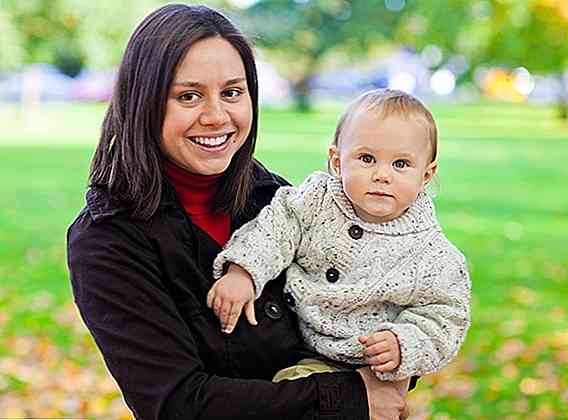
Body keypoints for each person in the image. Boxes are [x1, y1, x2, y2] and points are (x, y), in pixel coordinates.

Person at [66, 4, 409, 420]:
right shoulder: (107, 240)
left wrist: (401, 348)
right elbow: (178, 404)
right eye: (188, 96)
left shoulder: (278, 200)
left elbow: (369, 306)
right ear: (145, 103)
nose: (217, 117)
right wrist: (352, 397)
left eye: (232, 92)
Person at [208, 89, 471, 385]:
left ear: (426, 174)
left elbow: (445, 315)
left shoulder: (433, 255)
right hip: (295, 338)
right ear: (337, 160)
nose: (382, 175)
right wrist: (244, 271)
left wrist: (404, 343)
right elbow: (275, 228)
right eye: (367, 158)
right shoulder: (316, 201)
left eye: (400, 164)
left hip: (368, 365)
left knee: (294, 389)